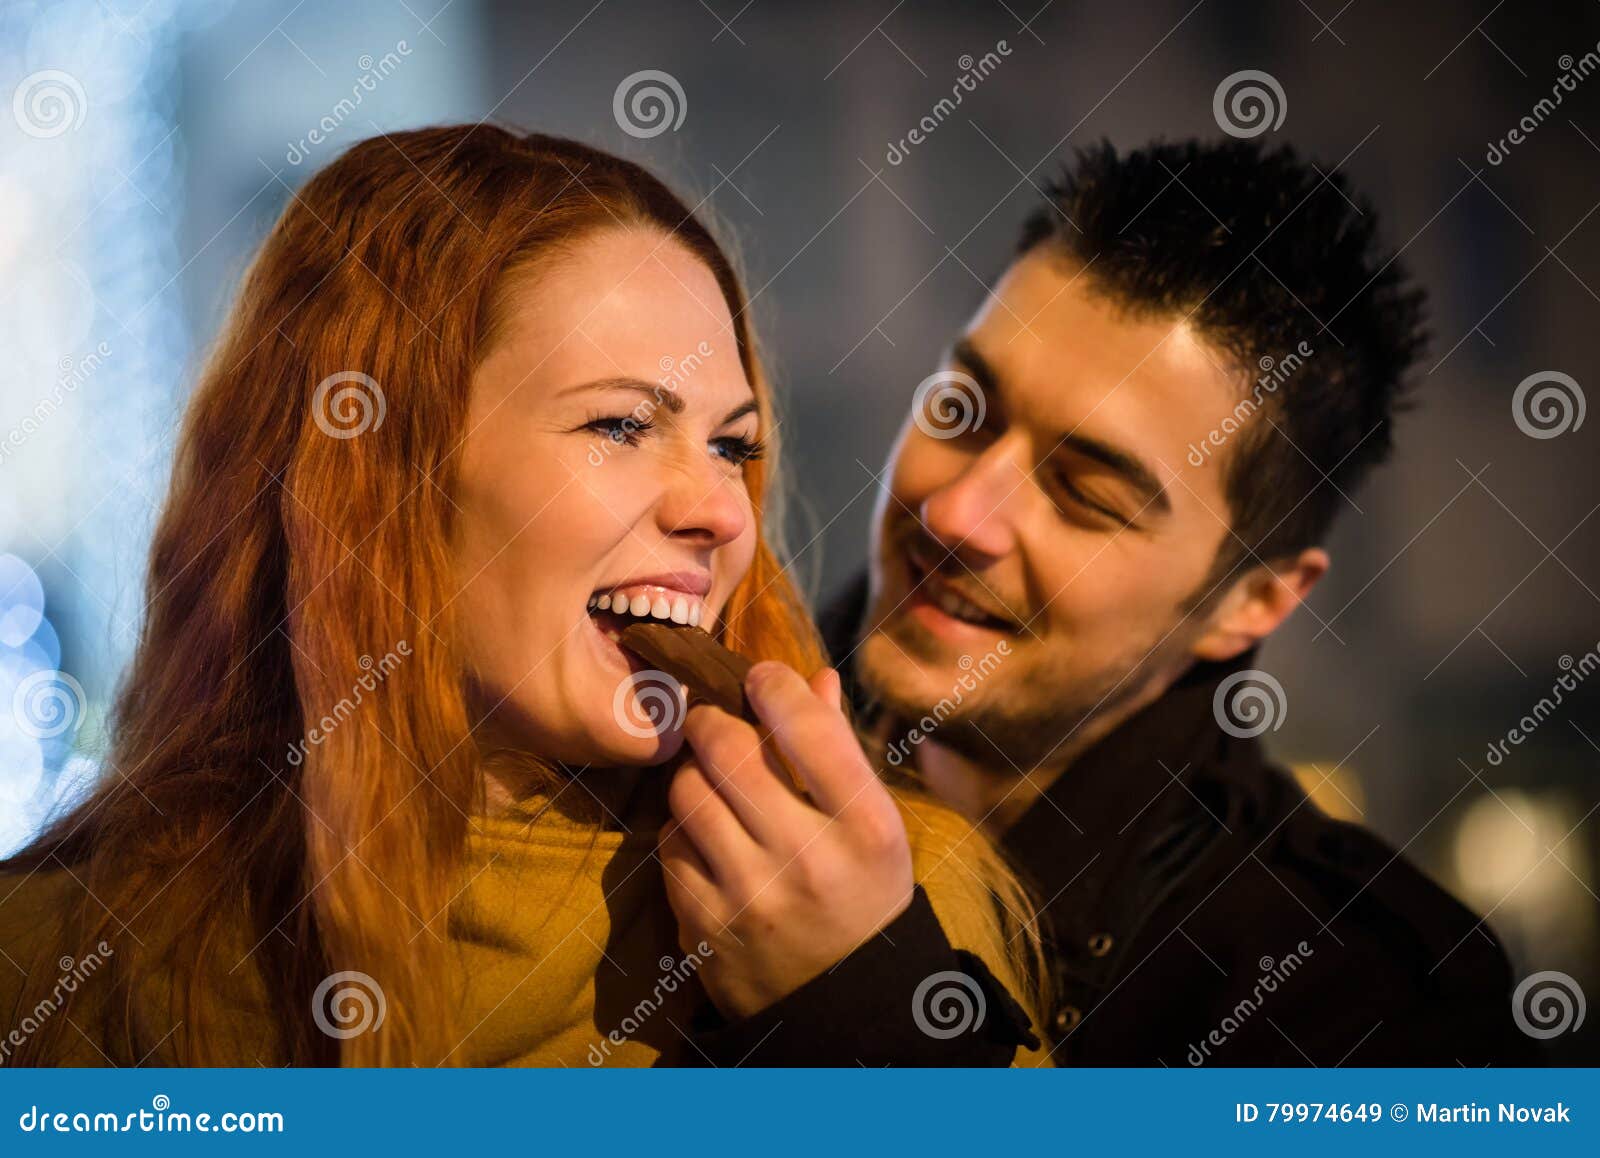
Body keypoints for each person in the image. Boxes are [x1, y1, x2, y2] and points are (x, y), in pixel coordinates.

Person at [0, 126, 1043, 1068]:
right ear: (374, 478)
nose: (724, 513)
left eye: (733, 445)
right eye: (621, 427)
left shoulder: (886, 911)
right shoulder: (56, 958)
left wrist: (858, 1019)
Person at [823, 139, 1540, 1066]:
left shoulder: (1363, 1008)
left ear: (1253, 602)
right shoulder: (665, 737)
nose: (959, 513)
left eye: (1087, 495)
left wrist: (855, 1012)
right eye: (964, 409)